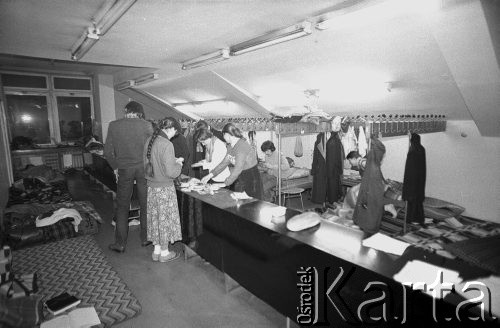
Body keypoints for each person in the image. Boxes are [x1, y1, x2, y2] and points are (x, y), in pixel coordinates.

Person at [104, 101, 153, 253]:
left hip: (124, 169)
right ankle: (145, 238)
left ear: (126, 111)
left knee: (122, 206)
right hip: (143, 170)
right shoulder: (146, 125)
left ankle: (120, 243)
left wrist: (116, 167)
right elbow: (152, 149)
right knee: (145, 204)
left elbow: (107, 152)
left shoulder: (114, 125)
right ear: (139, 112)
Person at [144, 117, 184, 262]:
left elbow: (151, 163)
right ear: (171, 129)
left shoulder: (150, 140)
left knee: (155, 220)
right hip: (165, 189)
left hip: (152, 187)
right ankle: (165, 253)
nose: (174, 135)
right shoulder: (166, 144)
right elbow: (171, 173)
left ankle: (157, 251)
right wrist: (178, 163)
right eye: (175, 132)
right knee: (165, 220)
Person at [201, 123, 263, 199]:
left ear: (227, 134)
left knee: (253, 206)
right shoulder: (231, 146)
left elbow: (238, 168)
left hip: (252, 180)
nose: (223, 138)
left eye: (223, 135)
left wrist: (225, 183)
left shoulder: (242, 145)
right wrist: (210, 175)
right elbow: (224, 163)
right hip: (242, 178)